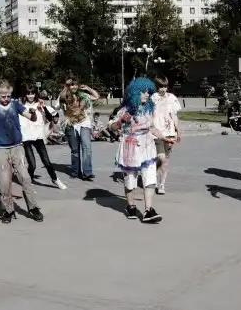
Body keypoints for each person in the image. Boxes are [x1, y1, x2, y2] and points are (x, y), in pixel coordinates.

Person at [109, 77, 175, 223]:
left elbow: (152, 127)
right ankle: (131, 206)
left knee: (150, 178)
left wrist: (164, 138)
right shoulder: (125, 109)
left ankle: (148, 210)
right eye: (143, 92)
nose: (147, 94)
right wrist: (121, 121)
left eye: (148, 92)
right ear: (135, 92)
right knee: (130, 180)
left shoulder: (148, 109)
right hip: (130, 147)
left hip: (147, 146)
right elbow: (111, 127)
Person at [0, 79, 44, 224]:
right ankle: (8, 210)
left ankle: (33, 207)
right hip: (1, 148)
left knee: (25, 177)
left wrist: (34, 113)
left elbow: (31, 118)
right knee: (4, 182)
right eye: (3, 96)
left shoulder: (15, 104)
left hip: (17, 147)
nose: (6, 99)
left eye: (8, 96)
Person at [20, 84, 67, 190]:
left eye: (32, 93)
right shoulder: (21, 106)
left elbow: (51, 118)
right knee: (32, 163)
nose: (30, 96)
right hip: (26, 137)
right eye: (28, 94)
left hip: (38, 137)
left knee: (46, 161)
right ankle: (29, 179)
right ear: (25, 95)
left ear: (35, 94)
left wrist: (44, 108)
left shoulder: (40, 104)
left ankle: (55, 179)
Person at [58, 76, 100, 180]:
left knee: (86, 147)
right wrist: (66, 85)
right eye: (72, 85)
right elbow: (61, 98)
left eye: (75, 85)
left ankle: (87, 172)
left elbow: (96, 96)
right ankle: (75, 171)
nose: (74, 87)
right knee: (75, 149)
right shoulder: (65, 95)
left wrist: (88, 88)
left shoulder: (83, 95)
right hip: (70, 123)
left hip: (84, 122)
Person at [151, 75, 182, 195]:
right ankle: (153, 176)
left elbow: (174, 115)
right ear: (156, 86)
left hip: (169, 132)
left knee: (166, 160)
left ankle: (162, 184)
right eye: (160, 87)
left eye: (165, 86)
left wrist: (178, 130)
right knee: (160, 157)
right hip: (156, 132)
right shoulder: (152, 98)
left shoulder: (171, 98)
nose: (163, 89)